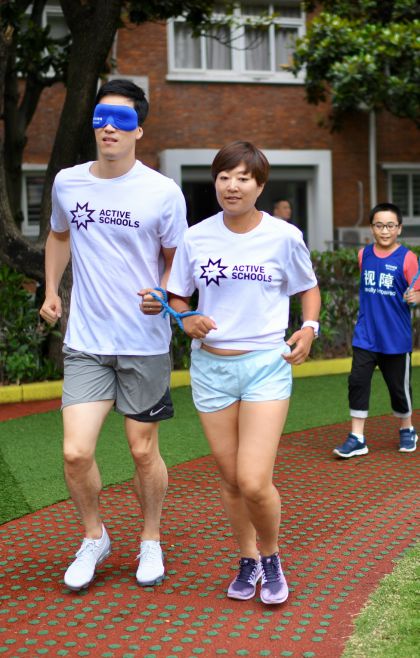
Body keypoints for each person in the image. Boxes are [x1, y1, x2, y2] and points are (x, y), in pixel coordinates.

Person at [39, 78, 187, 591]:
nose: (108, 127)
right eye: (101, 118)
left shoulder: (162, 192)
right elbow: (59, 235)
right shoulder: (68, 183)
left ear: (138, 130)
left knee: (143, 452)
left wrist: (164, 294)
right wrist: (51, 289)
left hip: (144, 343)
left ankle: (150, 538)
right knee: (75, 452)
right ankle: (94, 536)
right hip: (86, 341)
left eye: (121, 120)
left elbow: (177, 260)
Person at [166, 141, 321, 605]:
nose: (231, 186)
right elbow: (178, 296)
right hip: (211, 367)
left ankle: (271, 557)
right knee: (232, 480)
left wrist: (309, 328)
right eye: (223, 177)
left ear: (260, 185)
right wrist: (185, 318)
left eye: (242, 178)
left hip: (265, 367)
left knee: (254, 480)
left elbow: (308, 289)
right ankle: (247, 557)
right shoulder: (197, 237)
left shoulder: (283, 236)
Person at [333, 202, 420, 459]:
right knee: (357, 382)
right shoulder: (364, 255)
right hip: (366, 334)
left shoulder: (407, 258)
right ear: (372, 228)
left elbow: (417, 291)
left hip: (395, 337)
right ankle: (357, 437)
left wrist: (415, 297)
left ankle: (407, 428)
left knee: (399, 388)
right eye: (379, 225)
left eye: (390, 226)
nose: (385, 231)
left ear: (399, 228)